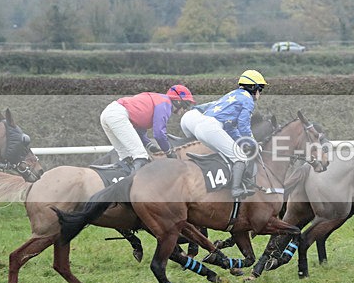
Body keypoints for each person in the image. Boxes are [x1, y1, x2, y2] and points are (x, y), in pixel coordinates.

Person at [181, 69, 267, 197]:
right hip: (211, 128)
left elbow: (230, 128)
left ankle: (226, 182)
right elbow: (243, 125)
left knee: (227, 156)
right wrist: (252, 142)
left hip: (203, 127)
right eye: (261, 89)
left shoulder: (234, 94)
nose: (260, 93)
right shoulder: (247, 99)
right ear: (254, 87)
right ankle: (236, 189)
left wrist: (240, 141)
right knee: (240, 157)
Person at [100, 85, 195, 172]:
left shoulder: (158, 99)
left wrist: (149, 145)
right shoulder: (165, 103)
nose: (185, 109)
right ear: (178, 101)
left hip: (108, 114)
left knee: (126, 159)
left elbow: (139, 129)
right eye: (186, 105)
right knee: (141, 157)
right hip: (117, 115)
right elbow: (159, 134)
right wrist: (169, 152)